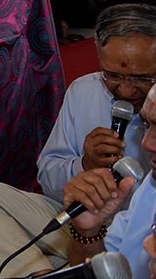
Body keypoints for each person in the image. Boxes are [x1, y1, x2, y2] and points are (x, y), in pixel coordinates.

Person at [0, 4, 154, 278]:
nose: (125, 89)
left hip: (141, 236)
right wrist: (85, 165)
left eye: (141, 78)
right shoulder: (83, 91)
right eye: (112, 75)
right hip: (81, 223)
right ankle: (40, 273)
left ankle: (64, 269)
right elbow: (48, 180)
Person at [59, 79, 156, 278]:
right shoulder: (150, 186)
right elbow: (102, 270)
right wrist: (89, 232)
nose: (146, 143)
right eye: (147, 124)